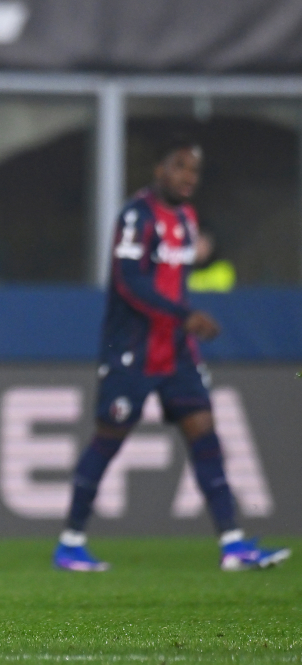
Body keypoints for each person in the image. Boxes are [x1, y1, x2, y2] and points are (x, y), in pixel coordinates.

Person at [54, 137, 289, 572]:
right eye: (180, 167)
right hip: (134, 349)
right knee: (109, 439)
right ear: (159, 169)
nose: (188, 178)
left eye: (194, 171)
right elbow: (129, 281)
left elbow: (171, 273)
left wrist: (197, 274)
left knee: (204, 433)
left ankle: (232, 544)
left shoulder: (185, 217)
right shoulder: (135, 216)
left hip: (177, 351)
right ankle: (70, 542)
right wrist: (185, 314)